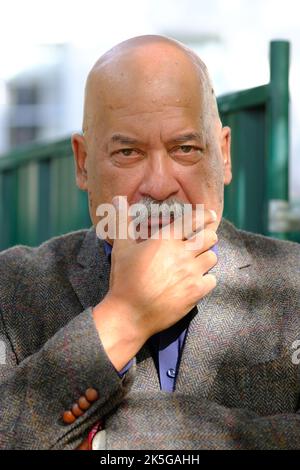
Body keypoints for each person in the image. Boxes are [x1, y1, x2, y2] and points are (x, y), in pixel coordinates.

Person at [0, 35, 300, 450]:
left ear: (224, 154)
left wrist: (116, 443)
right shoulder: (12, 285)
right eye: (128, 152)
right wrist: (123, 317)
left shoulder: (293, 283)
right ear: (84, 163)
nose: (159, 186)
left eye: (186, 149)